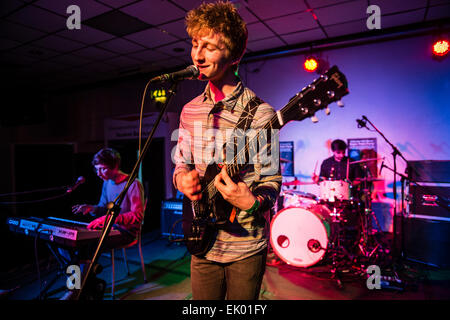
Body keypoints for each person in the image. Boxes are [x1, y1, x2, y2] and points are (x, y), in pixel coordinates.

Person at [172, 1, 281, 300]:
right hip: (201, 240)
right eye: (195, 44)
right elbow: (181, 163)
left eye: (209, 46)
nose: (198, 54)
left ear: (234, 54)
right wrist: (181, 179)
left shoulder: (260, 114)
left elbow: (272, 184)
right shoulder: (189, 110)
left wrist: (253, 202)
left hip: (245, 249)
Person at [60, 147, 145, 299]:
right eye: (97, 170)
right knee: (69, 245)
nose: (99, 174)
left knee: (87, 246)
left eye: (103, 169)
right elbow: (104, 208)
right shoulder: (107, 183)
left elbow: (138, 216)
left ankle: (76, 288)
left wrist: (109, 219)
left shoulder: (133, 184)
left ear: (115, 167)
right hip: (110, 229)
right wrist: (91, 208)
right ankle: (82, 285)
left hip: (126, 233)